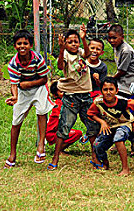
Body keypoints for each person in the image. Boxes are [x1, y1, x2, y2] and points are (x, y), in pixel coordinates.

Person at [48, 26, 98, 171]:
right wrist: (61, 49)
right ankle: (55, 158)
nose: (74, 44)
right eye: (70, 42)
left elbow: (88, 54)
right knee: (64, 127)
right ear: (65, 44)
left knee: (92, 127)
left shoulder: (81, 52)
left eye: (75, 41)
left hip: (86, 96)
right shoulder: (65, 56)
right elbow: (59, 66)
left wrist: (83, 38)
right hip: (71, 97)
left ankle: (95, 157)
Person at [5, 29, 53, 168]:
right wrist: (14, 96)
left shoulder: (37, 59)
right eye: (19, 44)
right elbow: (14, 84)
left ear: (30, 45)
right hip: (22, 92)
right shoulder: (13, 63)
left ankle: (40, 145)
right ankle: (12, 153)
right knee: (16, 121)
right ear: (15, 46)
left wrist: (28, 84)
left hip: (39, 87)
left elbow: (44, 79)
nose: (22, 46)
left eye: (25, 43)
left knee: (42, 111)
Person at [88, 77, 134, 176]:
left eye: (111, 89)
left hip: (124, 124)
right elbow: (90, 114)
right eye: (105, 90)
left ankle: (125, 168)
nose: (108, 92)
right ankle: (105, 162)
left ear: (117, 90)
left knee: (118, 138)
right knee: (97, 144)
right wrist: (102, 122)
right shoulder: (98, 102)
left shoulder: (123, 101)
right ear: (101, 91)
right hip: (110, 126)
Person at [45, 81, 83, 151]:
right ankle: (59, 150)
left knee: (76, 132)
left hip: (54, 132)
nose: (65, 93)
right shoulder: (59, 105)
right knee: (78, 133)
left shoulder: (63, 103)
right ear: (55, 95)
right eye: (61, 92)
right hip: (53, 134)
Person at [107, 24, 134, 98]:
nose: (111, 41)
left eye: (114, 38)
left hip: (131, 79)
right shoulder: (116, 46)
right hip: (123, 78)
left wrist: (111, 80)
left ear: (122, 37)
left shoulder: (126, 50)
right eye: (109, 38)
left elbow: (122, 71)